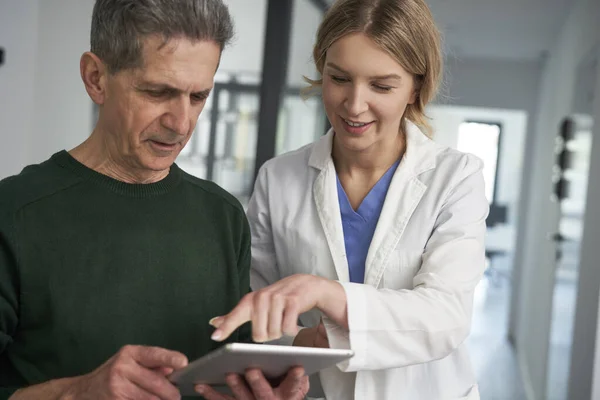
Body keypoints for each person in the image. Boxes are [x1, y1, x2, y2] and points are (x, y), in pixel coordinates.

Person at [0, 1, 308, 399]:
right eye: (158, 92)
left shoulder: (224, 217)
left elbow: (234, 378)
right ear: (96, 78)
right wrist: (78, 393)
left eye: (198, 97)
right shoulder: (14, 214)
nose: (181, 123)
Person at [207, 0, 489, 399]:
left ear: (416, 86)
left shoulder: (456, 178)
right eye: (339, 78)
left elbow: (444, 318)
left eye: (381, 86)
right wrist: (292, 347)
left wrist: (325, 294)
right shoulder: (279, 177)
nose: (354, 105)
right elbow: (261, 313)